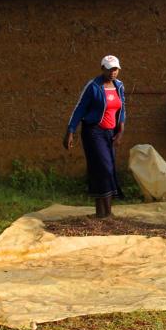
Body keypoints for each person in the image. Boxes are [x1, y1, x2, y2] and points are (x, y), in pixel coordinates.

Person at [64, 55, 126, 218]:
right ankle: (106, 214)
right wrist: (70, 131)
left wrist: (120, 132)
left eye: (115, 69)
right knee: (104, 167)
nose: (113, 72)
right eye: (109, 69)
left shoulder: (119, 86)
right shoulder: (93, 86)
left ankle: (103, 213)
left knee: (107, 169)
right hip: (93, 132)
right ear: (102, 69)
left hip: (110, 133)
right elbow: (79, 108)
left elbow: (122, 110)